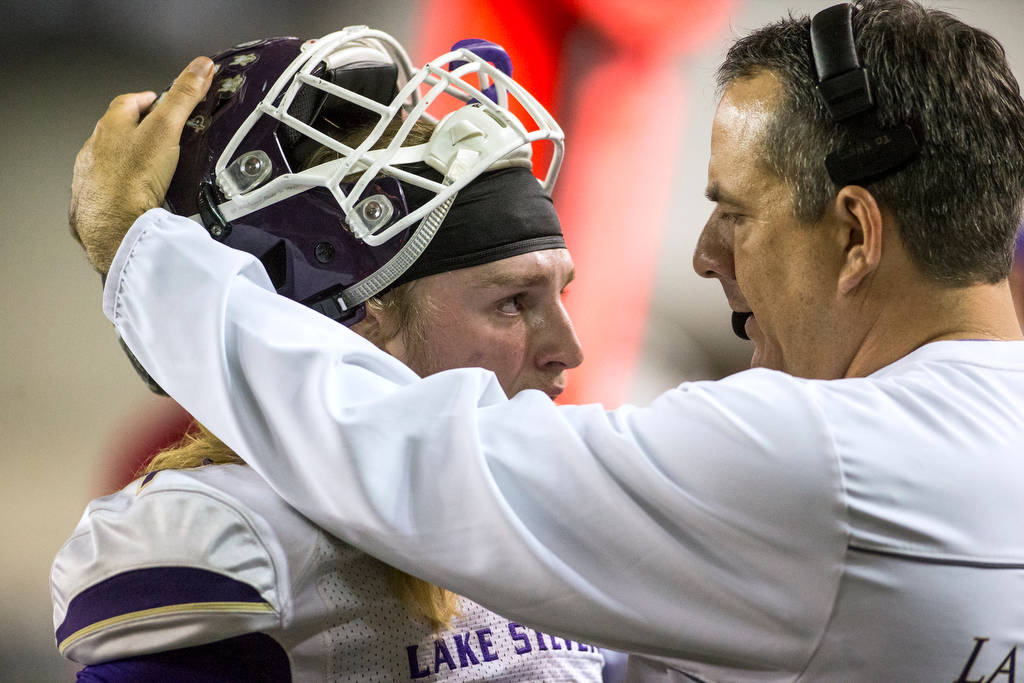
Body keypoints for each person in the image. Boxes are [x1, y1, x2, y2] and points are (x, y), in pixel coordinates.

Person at [68, 1, 1024, 680]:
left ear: (856, 234)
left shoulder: (824, 464)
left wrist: (136, 248)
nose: (703, 256)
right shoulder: (224, 539)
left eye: (734, 213)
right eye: (513, 299)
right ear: (351, 313)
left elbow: (424, 457)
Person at [52, 29, 608, 681]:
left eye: (559, 292)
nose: (567, 349)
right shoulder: (239, 538)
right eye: (513, 302)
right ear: (350, 320)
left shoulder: (559, 507)